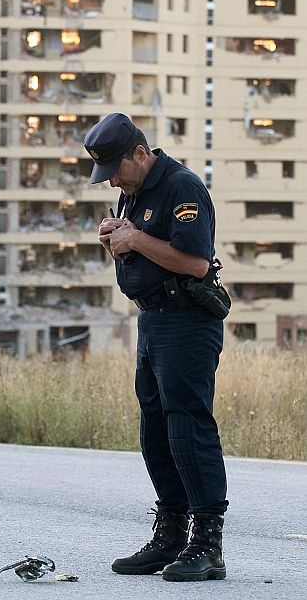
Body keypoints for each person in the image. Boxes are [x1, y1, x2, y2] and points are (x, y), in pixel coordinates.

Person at [83, 112, 228, 582]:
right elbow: (142, 251)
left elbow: (194, 263)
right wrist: (118, 244)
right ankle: (170, 535)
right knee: (154, 431)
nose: (112, 184)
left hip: (187, 320)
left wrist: (137, 239)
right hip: (153, 320)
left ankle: (207, 544)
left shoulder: (182, 188)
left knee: (188, 427)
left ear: (140, 153)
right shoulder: (134, 193)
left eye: (115, 172)